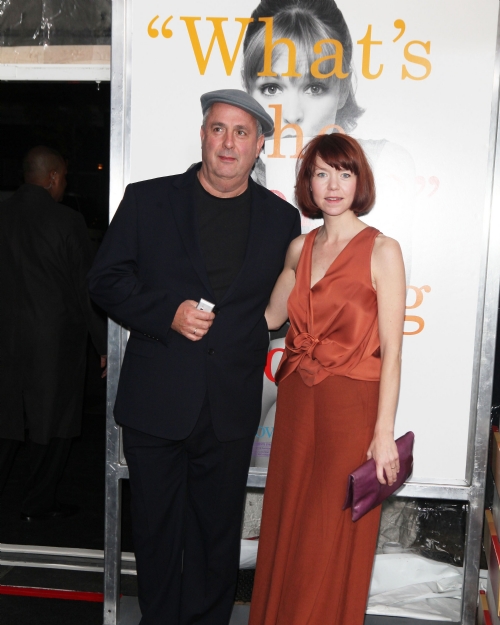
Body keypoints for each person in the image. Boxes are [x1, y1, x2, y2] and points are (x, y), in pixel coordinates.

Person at [88, 89, 300, 625]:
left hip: (230, 407)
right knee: (157, 536)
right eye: (218, 129)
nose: (228, 142)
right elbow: (105, 281)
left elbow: (282, 307)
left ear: (258, 146)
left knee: (216, 540)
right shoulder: (148, 199)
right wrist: (168, 313)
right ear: (203, 135)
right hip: (156, 403)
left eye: (242, 132)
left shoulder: (282, 219)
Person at [248, 133, 406, 625]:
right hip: (298, 400)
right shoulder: (300, 247)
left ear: (359, 181)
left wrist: (383, 433)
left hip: (351, 406)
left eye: (344, 173)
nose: (333, 186)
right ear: (308, 184)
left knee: (330, 528)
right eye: (321, 174)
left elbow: (393, 351)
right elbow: (271, 317)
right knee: (289, 518)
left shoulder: (383, 250)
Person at [242, 0, 415, 265]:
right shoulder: (231, 178)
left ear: (343, 89)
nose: (292, 114)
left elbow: (391, 283)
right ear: (248, 90)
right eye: (272, 88)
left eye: (314, 88)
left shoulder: (382, 163)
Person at [0, 146, 107, 520]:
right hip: (54, 342)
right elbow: (87, 288)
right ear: (53, 178)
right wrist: (104, 343)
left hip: (5, 341)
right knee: (55, 422)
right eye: (64, 178)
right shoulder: (67, 221)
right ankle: (37, 502)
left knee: (6, 420)